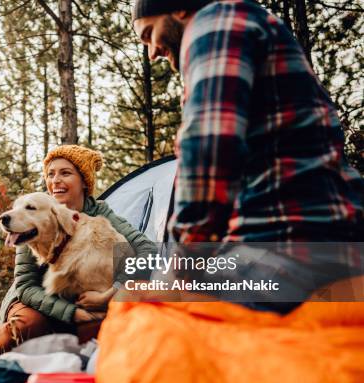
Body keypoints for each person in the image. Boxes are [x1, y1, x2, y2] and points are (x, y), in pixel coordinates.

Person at [132, 0, 363, 244]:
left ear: (179, 8)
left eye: (149, 34)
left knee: (159, 281)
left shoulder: (215, 23)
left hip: (290, 233)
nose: (152, 52)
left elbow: (210, 149)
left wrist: (183, 261)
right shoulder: (239, 27)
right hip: (318, 225)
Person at [0, 145, 158, 383]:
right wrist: (71, 313)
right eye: (51, 174)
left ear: (83, 181)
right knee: (29, 326)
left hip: (84, 299)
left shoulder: (101, 213)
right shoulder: (32, 212)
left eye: (65, 173)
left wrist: (112, 291)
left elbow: (148, 251)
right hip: (37, 301)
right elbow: (26, 285)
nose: (56, 181)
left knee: (101, 334)